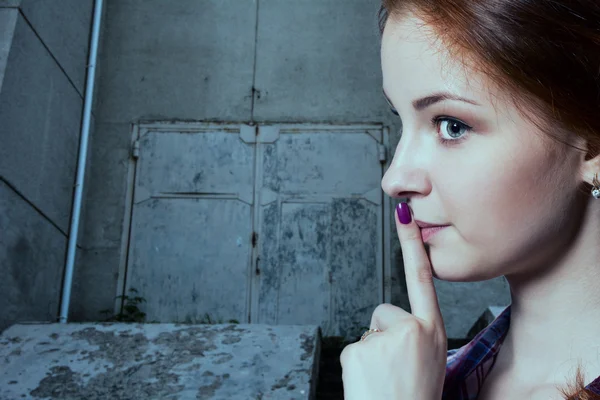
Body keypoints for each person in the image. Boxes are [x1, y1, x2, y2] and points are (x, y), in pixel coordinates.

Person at [340, 1, 600, 399]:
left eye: (452, 126)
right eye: (401, 120)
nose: (393, 178)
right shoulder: (420, 382)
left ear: (593, 148)